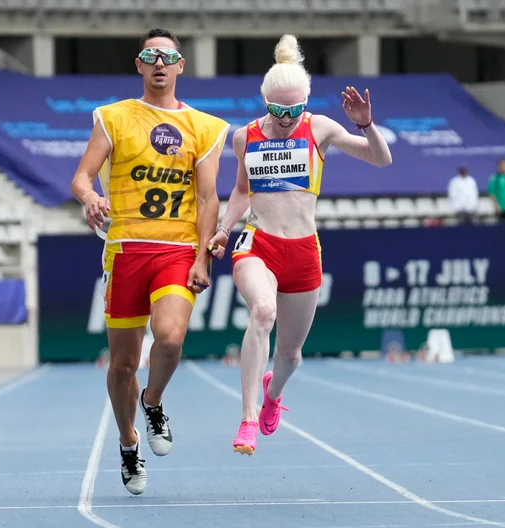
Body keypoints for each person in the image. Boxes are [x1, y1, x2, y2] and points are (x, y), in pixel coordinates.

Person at [209, 34, 392, 455]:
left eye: (295, 109)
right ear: (265, 102)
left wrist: (366, 124)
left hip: (304, 251)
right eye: (278, 110)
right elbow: (241, 190)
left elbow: (381, 160)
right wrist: (223, 227)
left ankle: (274, 393)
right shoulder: (245, 137)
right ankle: (248, 419)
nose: (287, 117)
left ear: (305, 102)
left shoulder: (321, 128)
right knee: (263, 311)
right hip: (259, 243)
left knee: (290, 354)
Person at [71, 28, 229, 495]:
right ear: (139, 64)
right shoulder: (113, 117)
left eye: (168, 56)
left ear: (181, 65)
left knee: (171, 337)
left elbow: (207, 198)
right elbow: (81, 176)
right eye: (150, 55)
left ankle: (153, 400)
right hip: (125, 250)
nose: (159, 63)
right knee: (120, 366)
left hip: (177, 249)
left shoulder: (204, 127)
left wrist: (203, 257)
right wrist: (89, 196)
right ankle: (127, 442)